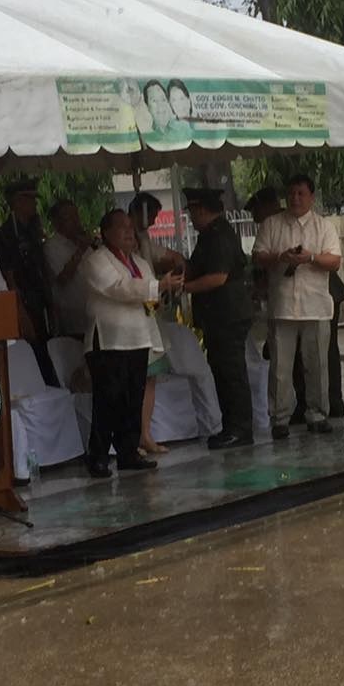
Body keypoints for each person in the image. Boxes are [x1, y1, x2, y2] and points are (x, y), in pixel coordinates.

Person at [80, 209, 183, 478]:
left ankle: (128, 452)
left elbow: (148, 296)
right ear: (106, 232)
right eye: (122, 227)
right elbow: (118, 288)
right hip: (109, 340)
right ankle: (99, 456)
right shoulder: (95, 260)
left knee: (133, 399)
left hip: (138, 336)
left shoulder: (140, 262)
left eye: (130, 227)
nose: (129, 232)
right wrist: (157, 285)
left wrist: (163, 291)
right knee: (107, 400)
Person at [246, 186, 344, 420]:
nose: (295, 198)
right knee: (284, 363)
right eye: (292, 194)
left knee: (322, 357)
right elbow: (260, 259)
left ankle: (328, 406)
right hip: (285, 304)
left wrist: (309, 257)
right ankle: (294, 409)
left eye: (257, 213)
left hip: (321, 297)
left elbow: (333, 260)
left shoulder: (319, 224)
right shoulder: (274, 225)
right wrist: (280, 258)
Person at [183, 187, 253, 449]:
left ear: (201, 209)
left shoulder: (219, 235)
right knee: (223, 372)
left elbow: (217, 277)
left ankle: (240, 428)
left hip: (228, 314)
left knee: (231, 372)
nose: (190, 216)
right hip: (218, 316)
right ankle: (232, 425)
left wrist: (184, 288)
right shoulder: (207, 236)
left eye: (191, 211)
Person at [128, 192, 185, 454]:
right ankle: (132, 436)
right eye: (149, 215)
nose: (150, 222)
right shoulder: (111, 255)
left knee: (150, 379)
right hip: (128, 323)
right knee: (134, 380)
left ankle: (145, 433)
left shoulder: (144, 242)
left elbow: (168, 257)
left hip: (150, 319)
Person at [0, 178, 56, 383]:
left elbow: (42, 268)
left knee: (48, 346)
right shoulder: (6, 234)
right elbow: (9, 277)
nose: (35, 204)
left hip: (41, 299)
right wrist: (20, 312)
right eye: (30, 199)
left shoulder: (32, 230)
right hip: (25, 302)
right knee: (35, 351)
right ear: (18, 202)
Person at [43, 200, 93, 338]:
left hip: (93, 315)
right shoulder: (52, 247)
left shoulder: (84, 244)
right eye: (70, 218)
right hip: (72, 318)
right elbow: (62, 278)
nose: (76, 222)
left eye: (76, 216)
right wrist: (79, 252)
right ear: (57, 222)